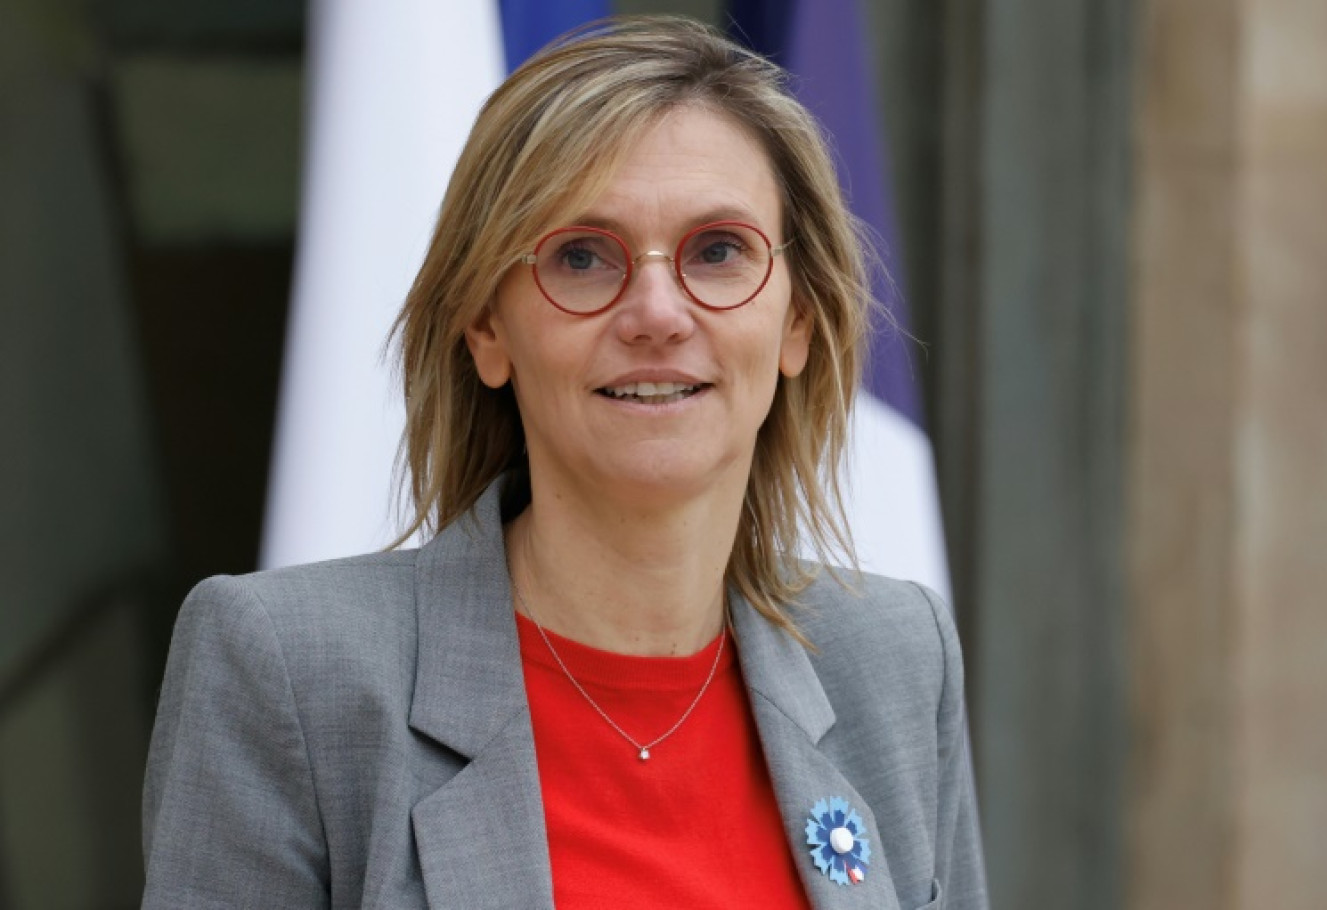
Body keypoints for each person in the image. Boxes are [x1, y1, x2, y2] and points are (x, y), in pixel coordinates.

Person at [141, 16, 988, 910]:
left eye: (719, 250)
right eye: (582, 257)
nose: (657, 313)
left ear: (798, 322)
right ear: (487, 328)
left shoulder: (897, 658)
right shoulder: (289, 671)